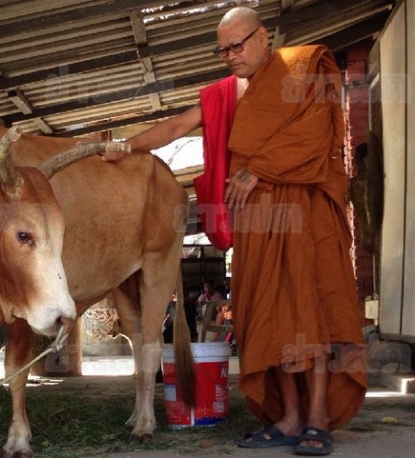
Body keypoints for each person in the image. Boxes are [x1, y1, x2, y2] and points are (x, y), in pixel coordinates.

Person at [102, 6, 367, 456]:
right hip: (258, 224)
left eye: (237, 44)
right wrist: (123, 146)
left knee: (314, 315)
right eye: (222, 49)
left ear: (264, 36)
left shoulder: (301, 69)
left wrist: (257, 169)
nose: (229, 55)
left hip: (307, 215)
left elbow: (317, 132)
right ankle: (287, 418)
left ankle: (318, 419)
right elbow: (175, 126)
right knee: (268, 318)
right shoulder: (224, 93)